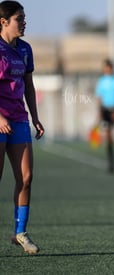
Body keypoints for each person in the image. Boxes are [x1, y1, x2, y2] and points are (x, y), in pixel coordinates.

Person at [0, 0, 44, 254]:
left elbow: (28, 85)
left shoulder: (25, 49)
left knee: (26, 177)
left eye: (24, 18)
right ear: (3, 22)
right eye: (19, 18)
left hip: (18, 120)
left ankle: (20, 233)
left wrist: (35, 117)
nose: (24, 22)